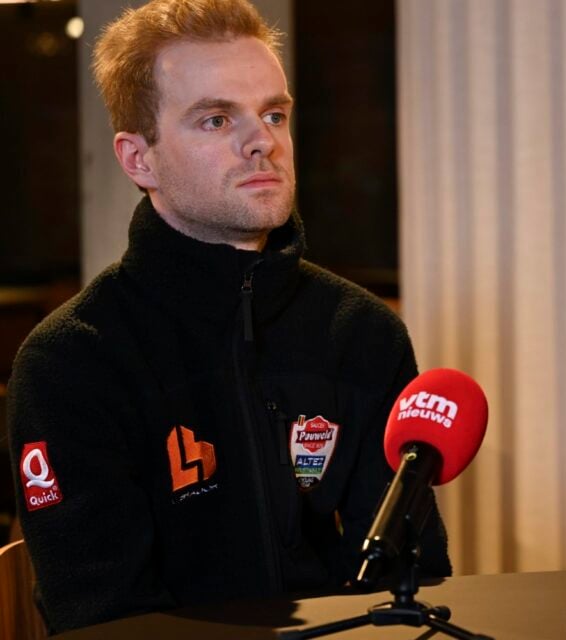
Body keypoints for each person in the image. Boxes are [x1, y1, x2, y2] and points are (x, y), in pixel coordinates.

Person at [6, 0, 449, 632]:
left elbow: (408, 577)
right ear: (139, 159)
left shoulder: (360, 330)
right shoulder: (71, 360)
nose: (262, 141)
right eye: (216, 119)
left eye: (274, 114)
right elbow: (102, 618)